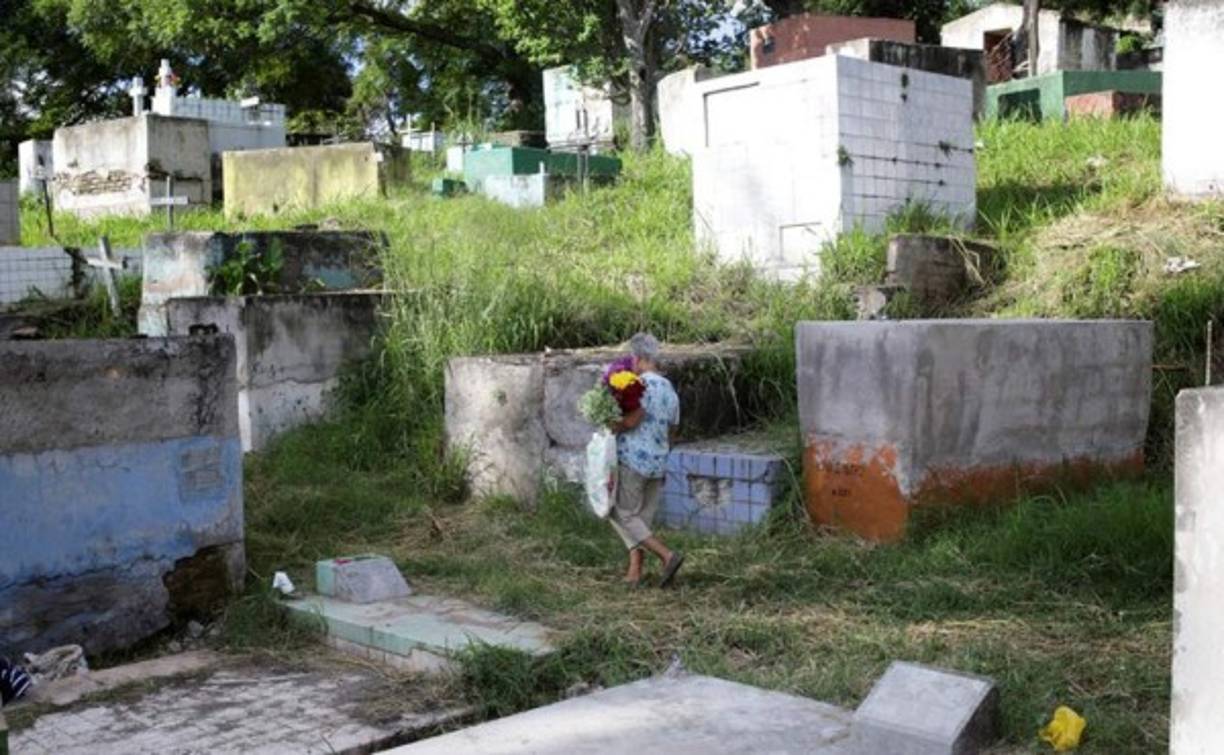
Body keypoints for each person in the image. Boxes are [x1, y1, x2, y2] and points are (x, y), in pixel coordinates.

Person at [608, 332, 685, 588]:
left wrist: (612, 426)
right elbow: (673, 428)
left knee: (622, 513)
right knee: (642, 518)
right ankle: (635, 571)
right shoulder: (669, 389)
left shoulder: (637, 386)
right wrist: (662, 452)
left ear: (639, 358)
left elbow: (632, 420)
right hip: (658, 462)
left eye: (632, 359)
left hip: (633, 460)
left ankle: (667, 555)